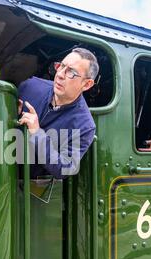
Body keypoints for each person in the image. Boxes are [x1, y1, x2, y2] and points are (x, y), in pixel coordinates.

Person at [17, 47, 98, 179]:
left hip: (30, 190)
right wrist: (11, 112)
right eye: (61, 66)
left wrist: (37, 133)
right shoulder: (30, 86)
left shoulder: (85, 126)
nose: (60, 74)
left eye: (71, 72)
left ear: (87, 84)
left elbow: (65, 168)